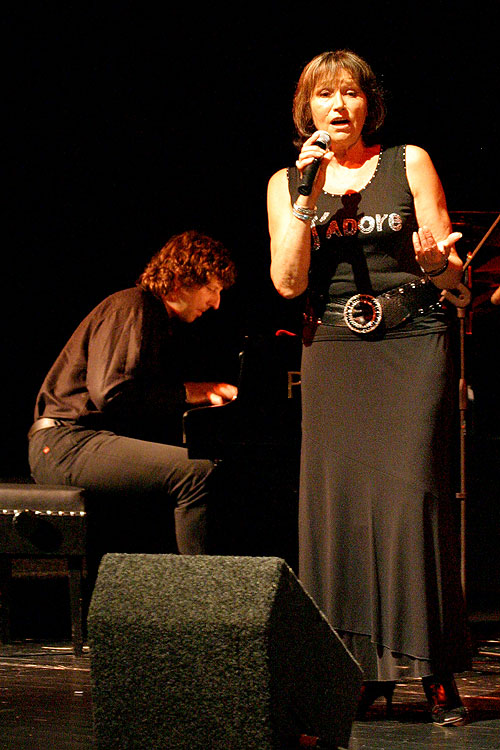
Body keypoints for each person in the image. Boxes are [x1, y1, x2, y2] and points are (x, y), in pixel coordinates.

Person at [267, 50, 471, 725]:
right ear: (308, 110)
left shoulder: (409, 161)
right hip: (333, 352)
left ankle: (434, 670)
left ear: (366, 104)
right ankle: (361, 673)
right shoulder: (286, 184)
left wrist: (439, 263)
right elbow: (289, 284)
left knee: (410, 500)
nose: (339, 106)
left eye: (350, 93)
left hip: (412, 342)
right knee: (342, 512)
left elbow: (458, 287)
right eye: (326, 95)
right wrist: (305, 201)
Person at [28, 230, 237, 559]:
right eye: (212, 288)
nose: (216, 302)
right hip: (66, 444)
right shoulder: (133, 305)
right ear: (181, 280)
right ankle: (206, 597)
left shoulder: (152, 318)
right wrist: (192, 392)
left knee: (195, 468)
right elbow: (112, 394)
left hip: (79, 441)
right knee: (198, 473)